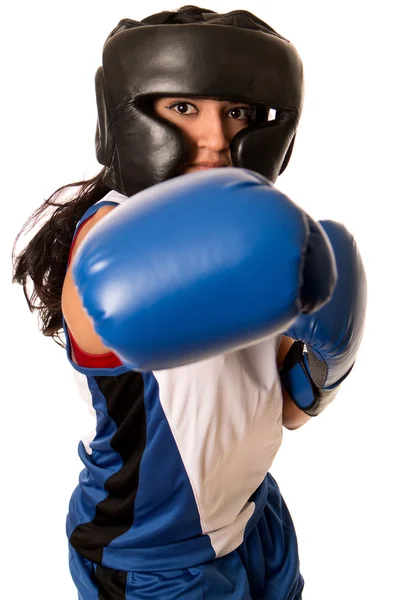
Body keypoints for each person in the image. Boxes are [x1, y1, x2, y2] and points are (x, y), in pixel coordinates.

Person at [12, 6, 367, 599]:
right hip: (154, 549)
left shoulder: (261, 231)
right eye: (183, 108)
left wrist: (327, 366)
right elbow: (97, 317)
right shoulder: (110, 228)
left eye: (236, 113)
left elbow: (286, 409)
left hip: (253, 517)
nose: (214, 139)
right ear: (128, 117)